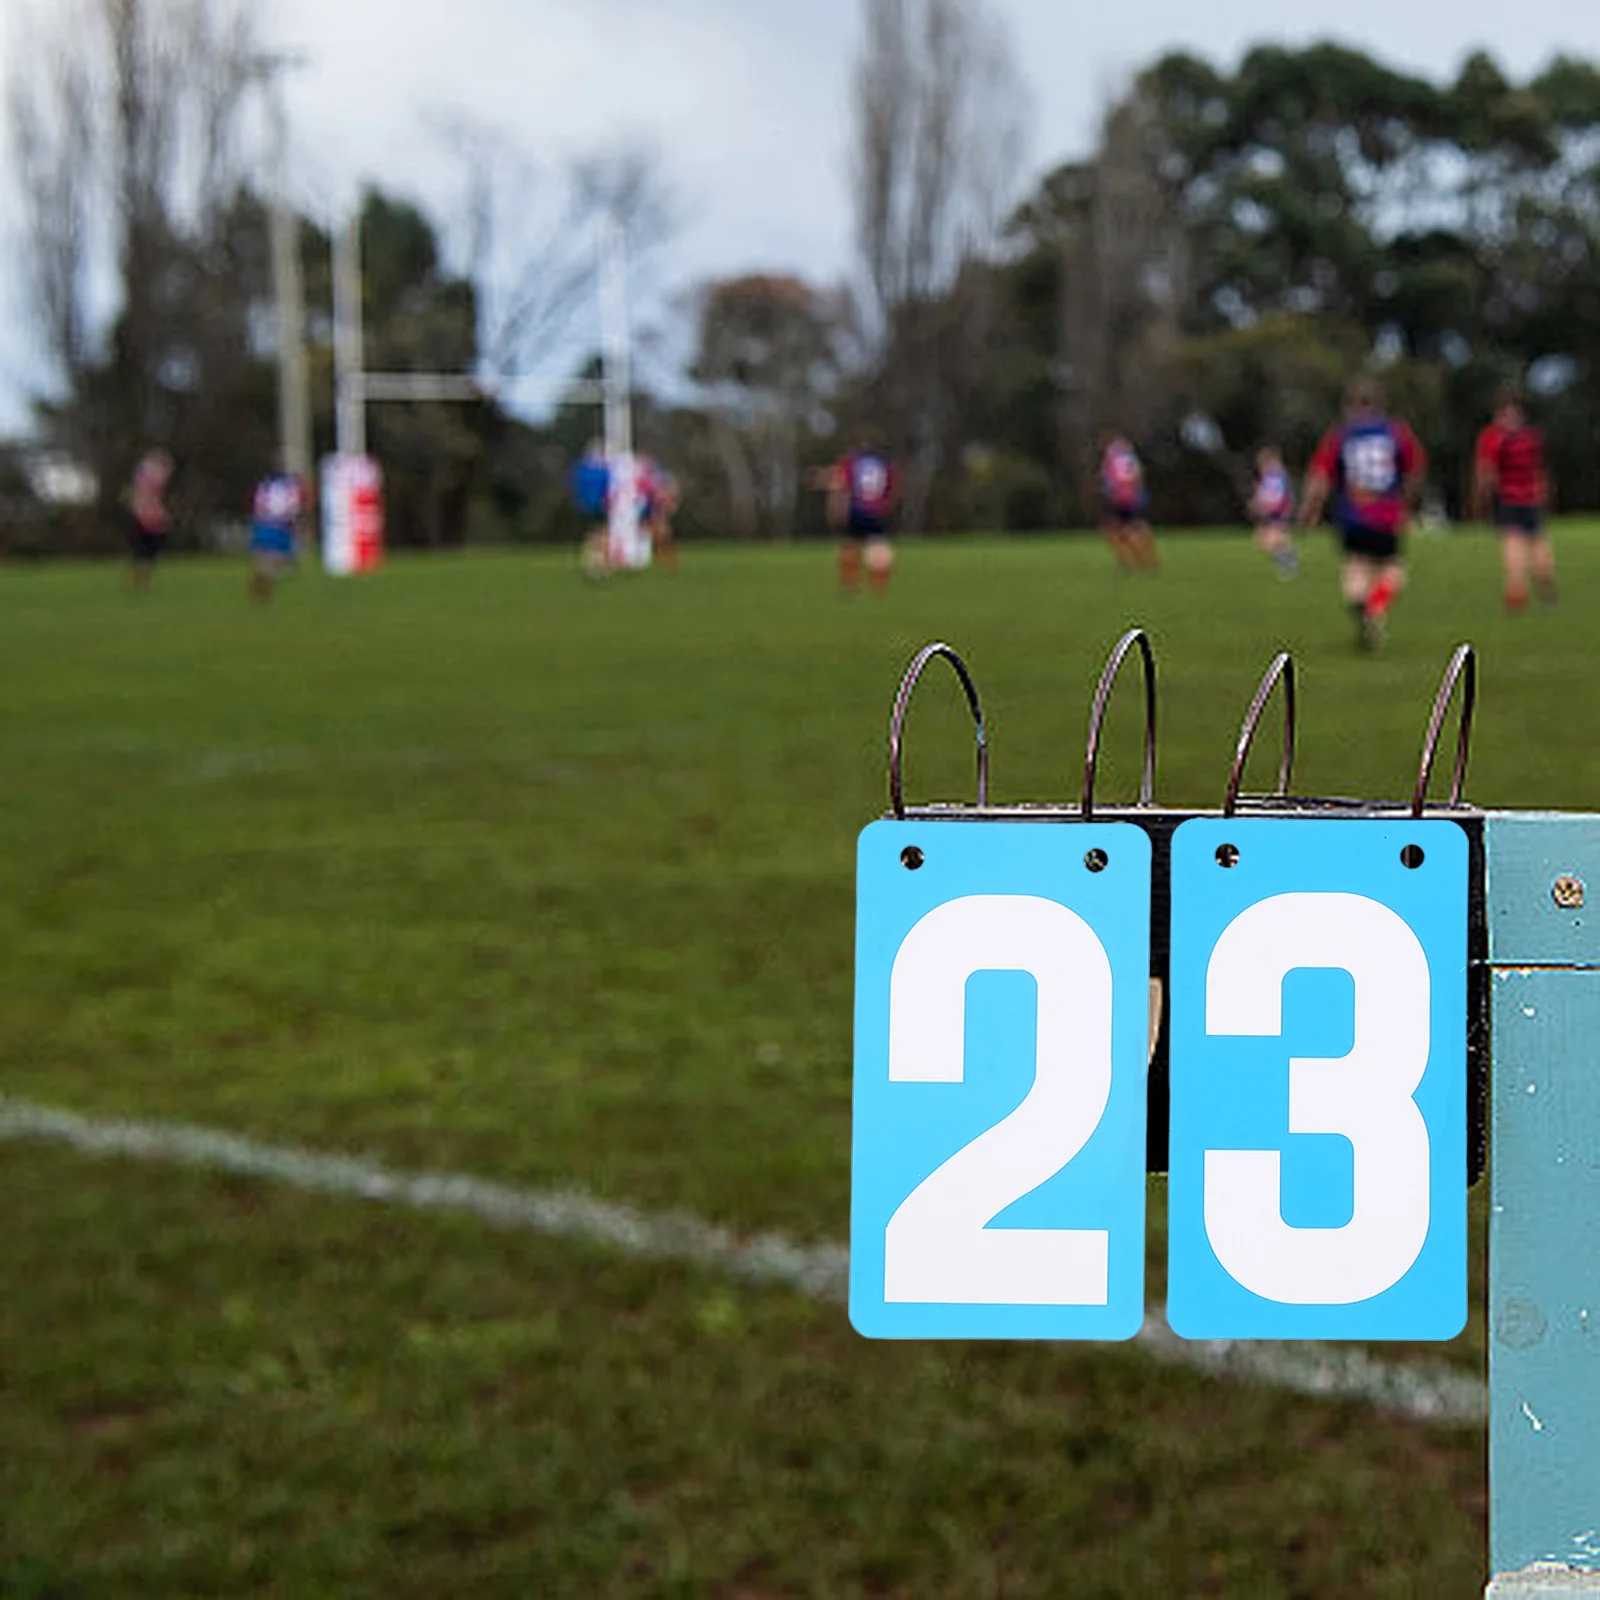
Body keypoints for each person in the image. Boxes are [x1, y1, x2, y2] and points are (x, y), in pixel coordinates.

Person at [1301, 377, 1428, 651]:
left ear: (1349, 406)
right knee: (1393, 571)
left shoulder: (1340, 436)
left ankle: (1362, 604)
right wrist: (1406, 503)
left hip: (1351, 515)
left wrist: (1310, 510)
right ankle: (1375, 607)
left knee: (1355, 567)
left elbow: (1319, 477)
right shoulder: (1396, 432)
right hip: (1386, 514)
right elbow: (1415, 470)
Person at [1474, 383, 1556, 612]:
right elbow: (1540, 469)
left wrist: (1481, 500)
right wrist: (1544, 494)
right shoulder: (1530, 436)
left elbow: (1487, 472)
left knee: (1512, 544)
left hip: (1508, 499)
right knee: (1538, 542)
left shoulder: (1493, 436)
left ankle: (1516, 589)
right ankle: (1547, 586)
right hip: (1532, 498)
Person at [830, 441, 898, 593]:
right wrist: (888, 506)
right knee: (878, 545)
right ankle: (878, 585)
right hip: (878, 509)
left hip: (856, 508)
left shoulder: (850, 462)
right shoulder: (884, 463)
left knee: (850, 544)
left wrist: (837, 509)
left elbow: (841, 486)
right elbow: (891, 487)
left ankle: (849, 583)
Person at [248, 465, 307, 603]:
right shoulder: (289, 488)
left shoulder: (264, 487)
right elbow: (293, 508)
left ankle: (263, 584)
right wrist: (295, 523)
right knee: (282, 561)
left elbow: (258, 506)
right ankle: (265, 584)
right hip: (280, 526)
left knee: (265, 560)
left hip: (264, 525)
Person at [1098, 433, 1158, 570]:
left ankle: (1126, 559)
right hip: (1135, 495)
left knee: (1113, 528)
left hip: (1119, 496)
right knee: (1137, 526)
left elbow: (1106, 479)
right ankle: (1146, 557)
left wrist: (1107, 493)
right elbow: (1139, 475)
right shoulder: (1130, 456)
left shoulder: (1111, 458)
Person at [124, 448, 173, 590]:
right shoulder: (148, 479)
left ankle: (141, 579)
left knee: (147, 550)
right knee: (146, 549)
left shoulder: (144, 478)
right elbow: (142, 497)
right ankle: (140, 580)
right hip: (146, 518)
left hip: (148, 516)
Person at [1250, 445, 1298, 578]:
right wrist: (1258, 503)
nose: (1261, 467)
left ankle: (1287, 563)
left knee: (1271, 540)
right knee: (1266, 541)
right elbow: (1264, 494)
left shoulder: (1277, 476)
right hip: (1272, 512)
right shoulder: (1269, 477)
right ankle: (1287, 559)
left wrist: (1284, 510)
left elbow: (1282, 495)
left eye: (1263, 463)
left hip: (1277, 512)